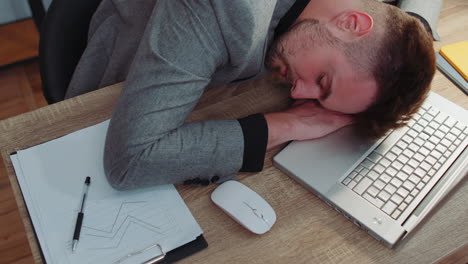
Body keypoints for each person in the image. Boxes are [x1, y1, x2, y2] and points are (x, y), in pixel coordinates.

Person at [65, 0, 435, 189]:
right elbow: (130, 161)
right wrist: (287, 124)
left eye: (317, 99)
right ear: (350, 23)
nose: (298, 91)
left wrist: (418, 29)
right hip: (115, 91)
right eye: (322, 80)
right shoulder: (225, 10)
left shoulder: (351, 21)